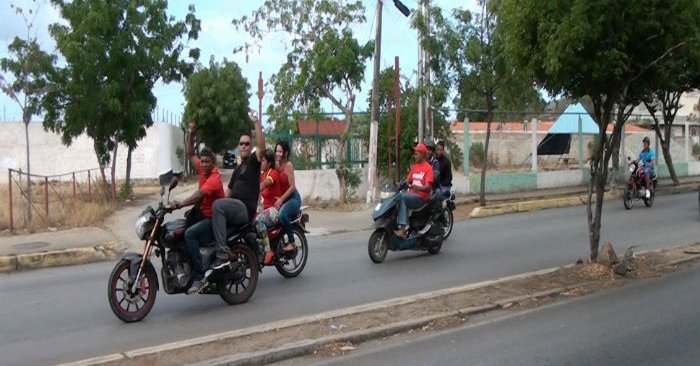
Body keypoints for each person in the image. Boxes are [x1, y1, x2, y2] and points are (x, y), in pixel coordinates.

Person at [206, 116, 266, 293]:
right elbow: (228, 192)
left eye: (247, 143)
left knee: (217, 206)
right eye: (241, 144)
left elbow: (262, 147)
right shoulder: (238, 169)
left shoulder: (254, 162)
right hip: (233, 206)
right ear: (238, 147)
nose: (244, 146)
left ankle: (222, 255)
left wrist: (256, 123)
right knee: (212, 212)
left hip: (244, 209)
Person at [171, 122, 225, 295]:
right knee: (177, 231)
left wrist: (181, 203)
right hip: (201, 215)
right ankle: (186, 264)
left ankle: (200, 275)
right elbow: (190, 153)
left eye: (207, 161)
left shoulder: (214, 178)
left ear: (212, 163)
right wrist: (191, 134)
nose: (203, 164)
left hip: (212, 220)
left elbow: (199, 195)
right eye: (202, 161)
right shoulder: (202, 170)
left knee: (190, 234)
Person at [394, 142, 434, 239]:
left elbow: (428, 187)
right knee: (396, 197)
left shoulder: (428, 168)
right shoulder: (414, 167)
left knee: (402, 197)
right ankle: (397, 224)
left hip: (421, 197)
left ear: (423, 155)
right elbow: (407, 181)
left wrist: (418, 188)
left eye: (417, 153)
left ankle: (403, 228)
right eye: (414, 153)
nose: (414, 155)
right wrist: (400, 184)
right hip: (411, 195)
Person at [274, 140, 302, 252]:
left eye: (280, 151)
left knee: (282, 215)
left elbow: (292, 187)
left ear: (285, 153)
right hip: (283, 199)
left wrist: (281, 199)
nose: (277, 153)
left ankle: (292, 242)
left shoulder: (288, 166)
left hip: (293, 199)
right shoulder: (276, 166)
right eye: (276, 151)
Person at [255, 149, 282, 265]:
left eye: (263, 160)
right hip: (266, 210)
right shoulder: (263, 174)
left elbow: (265, 184)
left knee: (258, 220)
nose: (261, 162)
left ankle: (268, 250)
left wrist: (257, 187)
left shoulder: (273, 173)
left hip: (275, 210)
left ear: (269, 163)